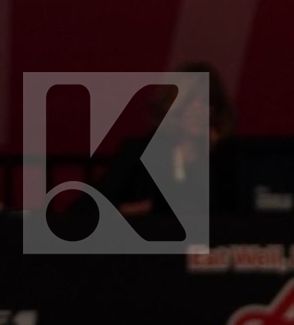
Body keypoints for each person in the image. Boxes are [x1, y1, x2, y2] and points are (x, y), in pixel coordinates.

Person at [98, 59, 243, 217]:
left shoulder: (226, 157)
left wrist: (211, 156)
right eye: (188, 101)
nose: (197, 110)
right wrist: (147, 208)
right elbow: (91, 210)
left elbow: (236, 212)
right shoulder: (139, 152)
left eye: (205, 101)